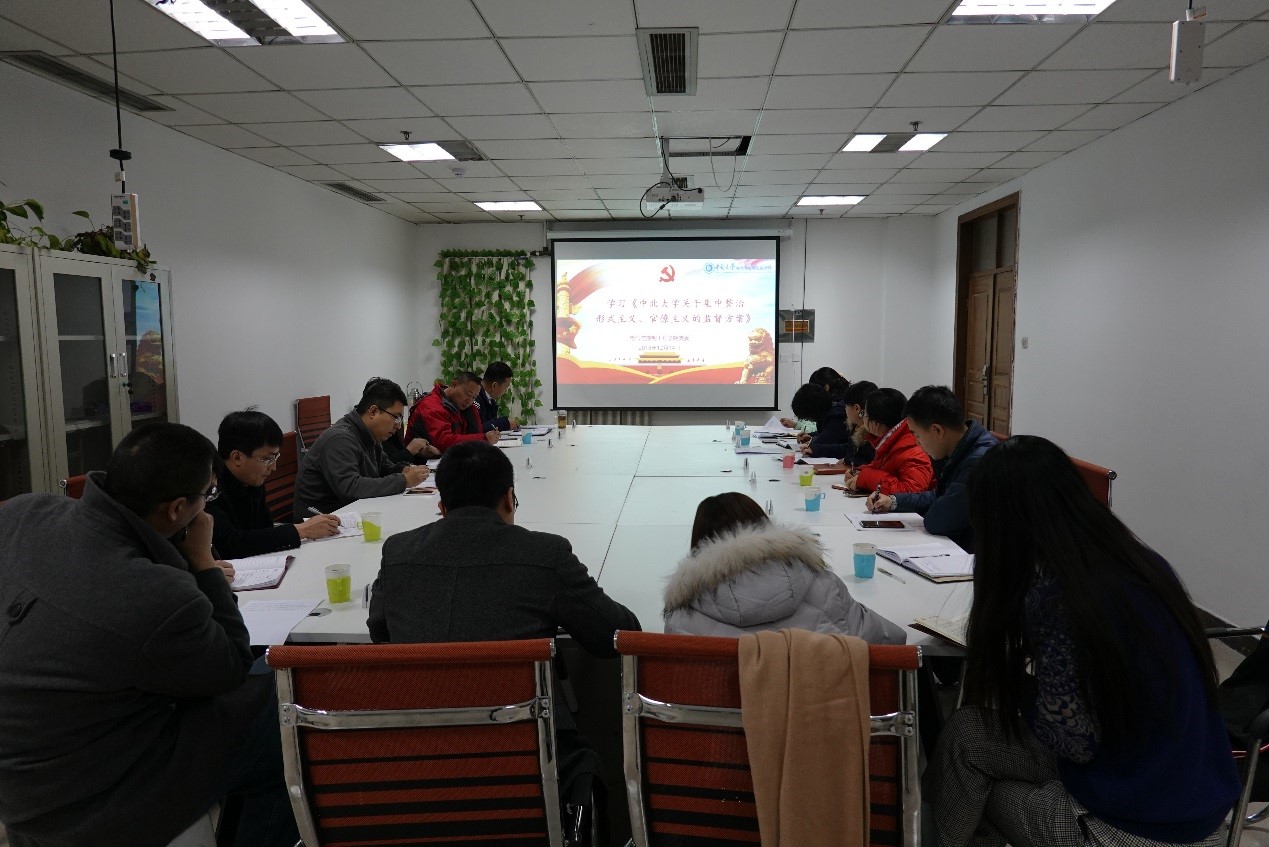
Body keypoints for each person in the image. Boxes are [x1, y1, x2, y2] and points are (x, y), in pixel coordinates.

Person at [925, 436, 1239, 847]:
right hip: (1193, 795)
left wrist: (1024, 689)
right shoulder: (1140, 563)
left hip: (1140, 826)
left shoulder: (1060, 600)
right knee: (968, 733)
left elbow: (1074, 741)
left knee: (974, 784)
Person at [0, 423, 298, 846]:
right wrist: (202, 561)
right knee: (283, 708)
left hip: (19, 777)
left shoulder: (23, 512)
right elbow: (231, 665)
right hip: (90, 797)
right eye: (207, 495)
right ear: (177, 510)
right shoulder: (155, 593)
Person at [366, 441, 641, 841]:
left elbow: (380, 633)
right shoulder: (545, 553)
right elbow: (616, 636)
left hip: (417, 757)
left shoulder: (397, 551)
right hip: (528, 757)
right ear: (510, 498)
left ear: (441, 506)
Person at [663, 492, 906, 643]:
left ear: (699, 546)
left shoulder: (682, 618)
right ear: (765, 528)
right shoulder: (825, 587)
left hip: (732, 713)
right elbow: (891, 640)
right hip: (825, 709)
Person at [865, 386, 998, 550]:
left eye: (917, 435)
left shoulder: (979, 462)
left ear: (937, 430)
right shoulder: (958, 449)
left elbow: (938, 520)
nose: (916, 442)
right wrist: (893, 501)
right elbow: (941, 496)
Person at [208, 408, 341, 558]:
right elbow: (230, 544)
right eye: (267, 459)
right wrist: (302, 530)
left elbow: (265, 529)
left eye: (275, 458)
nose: (273, 467)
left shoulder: (251, 482)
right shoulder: (210, 489)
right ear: (237, 457)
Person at [293, 377, 430, 518]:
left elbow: (385, 468)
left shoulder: (370, 434)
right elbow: (350, 488)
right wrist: (403, 480)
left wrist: (404, 469)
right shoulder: (340, 439)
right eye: (396, 417)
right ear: (373, 411)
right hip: (321, 520)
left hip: (352, 513)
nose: (398, 425)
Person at [841, 388, 933, 495]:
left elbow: (911, 492)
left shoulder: (911, 450)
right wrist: (859, 472)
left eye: (863, 414)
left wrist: (866, 478)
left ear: (876, 424)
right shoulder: (892, 441)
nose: (862, 419)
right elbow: (882, 467)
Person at [408, 371, 502, 453]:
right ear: (454, 385)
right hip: (421, 464)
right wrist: (484, 439)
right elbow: (444, 442)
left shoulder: (463, 406)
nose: (469, 401)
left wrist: (486, 437)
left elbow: (475, 433)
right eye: (468, 394)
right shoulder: (431, 406)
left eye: (474, 397)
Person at [782, 366, 842, 431]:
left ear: (826, 388)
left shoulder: (836, 410)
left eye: (815, 389)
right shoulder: (829, 407)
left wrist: (797, 426)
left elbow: (822, 433)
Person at [475, 361, 520, 432]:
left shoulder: (489, 398)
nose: (506, 391)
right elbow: (477, 429)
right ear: (494, 385)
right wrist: (505, 423)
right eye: (506, 387)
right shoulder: (474, 397)